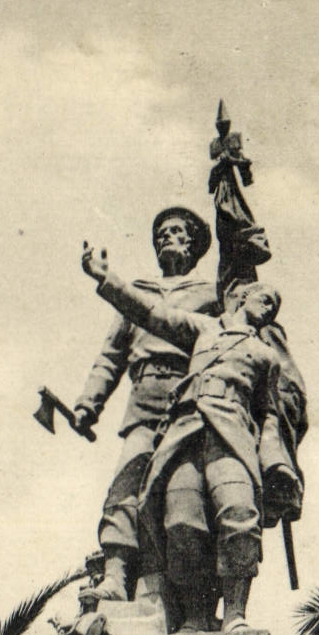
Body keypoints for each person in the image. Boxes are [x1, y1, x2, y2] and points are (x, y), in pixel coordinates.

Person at [80, 242, 307, 633]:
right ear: (241, 298)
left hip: (231, 435)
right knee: (182, 524)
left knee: (239, 516)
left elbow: (271, 415)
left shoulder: (266, 356)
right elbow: (151, 314)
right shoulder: (204, 328)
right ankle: (196, 616)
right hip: (184, 431)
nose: (269, 309)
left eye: (274, 307)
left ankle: (235, 615)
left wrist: (277, 465)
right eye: (265, 299)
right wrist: (106, 279)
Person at [71, 208, 218, 603]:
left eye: (175, 231)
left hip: (189, 400)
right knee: (127, 483)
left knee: (184, 493)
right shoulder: (137, 291)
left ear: (193, 242)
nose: (165, 238)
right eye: (160, 234)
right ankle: (116, 576)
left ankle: (184, 596)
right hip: (144, 397)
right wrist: (88, 403)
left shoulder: (211, 294)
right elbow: (110, 357)